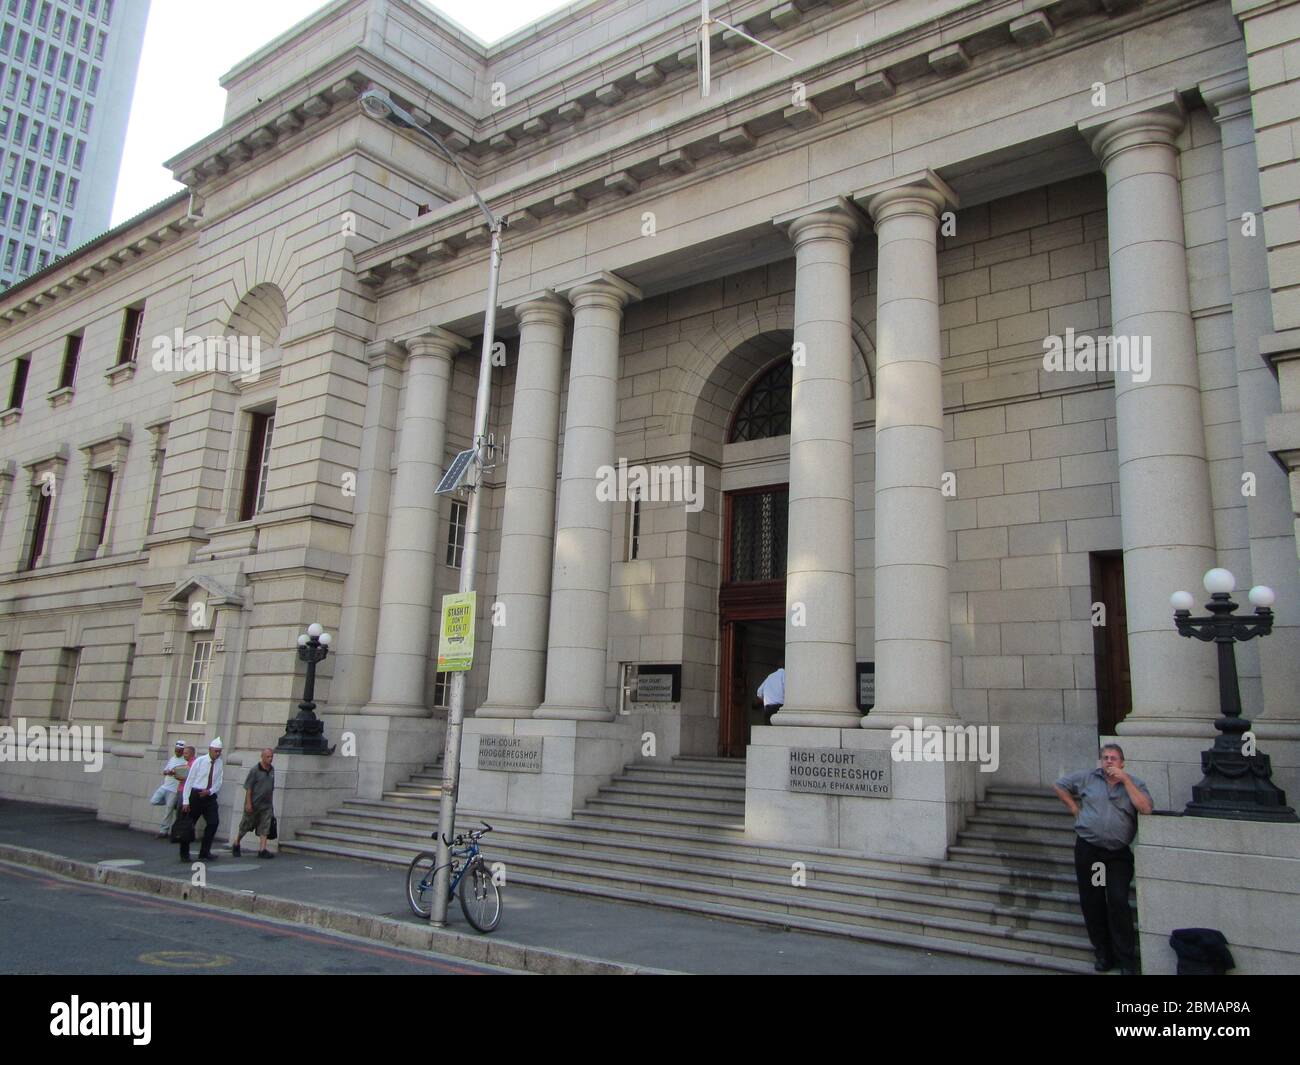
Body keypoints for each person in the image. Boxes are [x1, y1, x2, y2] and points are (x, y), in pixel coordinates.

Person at [1053, 743, 1153, 975]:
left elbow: (1146, 809)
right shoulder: (1089, 778)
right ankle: (1103, 953)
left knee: (1118, 900)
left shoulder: (1134, 783)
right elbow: (1059, 785)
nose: (1109, 761)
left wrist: (1125, 781)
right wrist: (1074, 808)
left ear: (1122, 762)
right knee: (1094, 901)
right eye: (1106, 757)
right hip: (1092, 852)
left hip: (1117, 854)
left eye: (1114, 758)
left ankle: (1126, 959)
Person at [180, 737, 224, 863]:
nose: (217, 754)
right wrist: (186, 801)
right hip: (196, 794)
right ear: (210, 750)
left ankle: (205, 851)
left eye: (219, 751)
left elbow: (218, 781)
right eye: (215, 751)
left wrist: (210, 791)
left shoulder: (219, 763)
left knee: (213, 822)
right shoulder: (200, 761)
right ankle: (184, 853)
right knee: (189, 824)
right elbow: (190, 780)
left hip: (209, 796)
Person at [233, 748, 276, 859]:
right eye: (268, 757)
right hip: (254, 803)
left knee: (265, 827)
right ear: (262, 757)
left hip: (266, 805)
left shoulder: (272, 770)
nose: (270, 759)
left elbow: (271, 788)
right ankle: (237, 842)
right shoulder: (255, 770)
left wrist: (271, 804)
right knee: (246, 825)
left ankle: (262, 849)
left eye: (271, 757)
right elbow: (249, 788)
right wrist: (248, 803)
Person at [154, 741, 187, 838]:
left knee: (168, 810)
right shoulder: (172, 758)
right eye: (176, 750)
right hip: (165, 786)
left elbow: (183, 775)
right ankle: (174, 804)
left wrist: (174, 773)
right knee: (154, 800)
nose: (177, 752)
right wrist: (167, 772)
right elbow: (165, 771)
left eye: (179, 751)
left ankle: (163, 831)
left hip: (174, 788)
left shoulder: (184, 761)